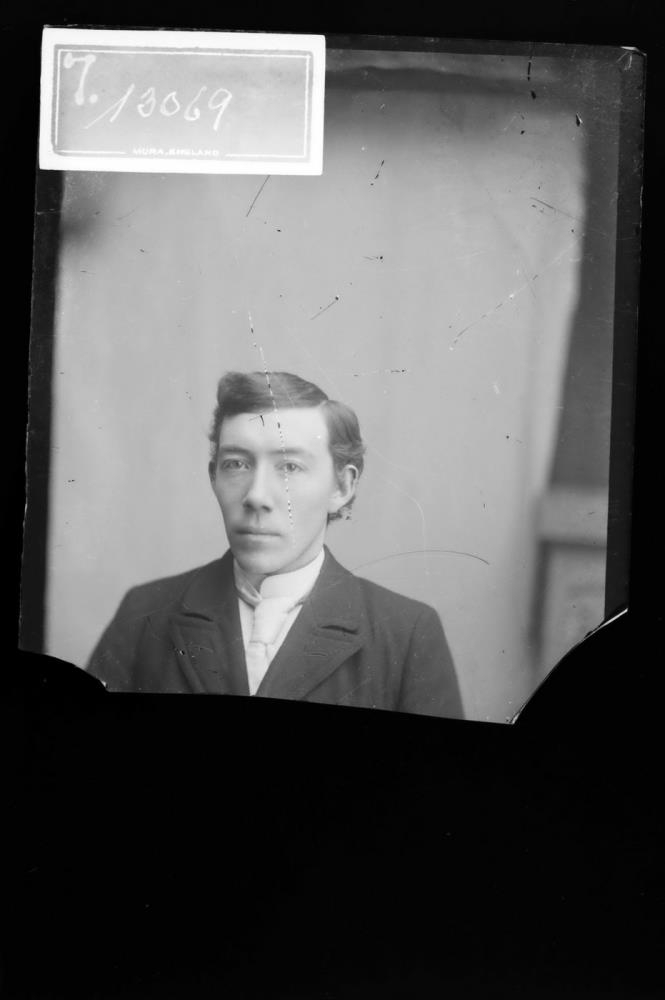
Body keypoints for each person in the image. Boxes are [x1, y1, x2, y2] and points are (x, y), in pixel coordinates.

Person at [87, 371, 464, 719]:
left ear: (342, 487)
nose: (256, 496)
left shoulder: (407, 633)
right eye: (236, 464)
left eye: (289, 467)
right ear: (213, 477)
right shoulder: (145, 613)